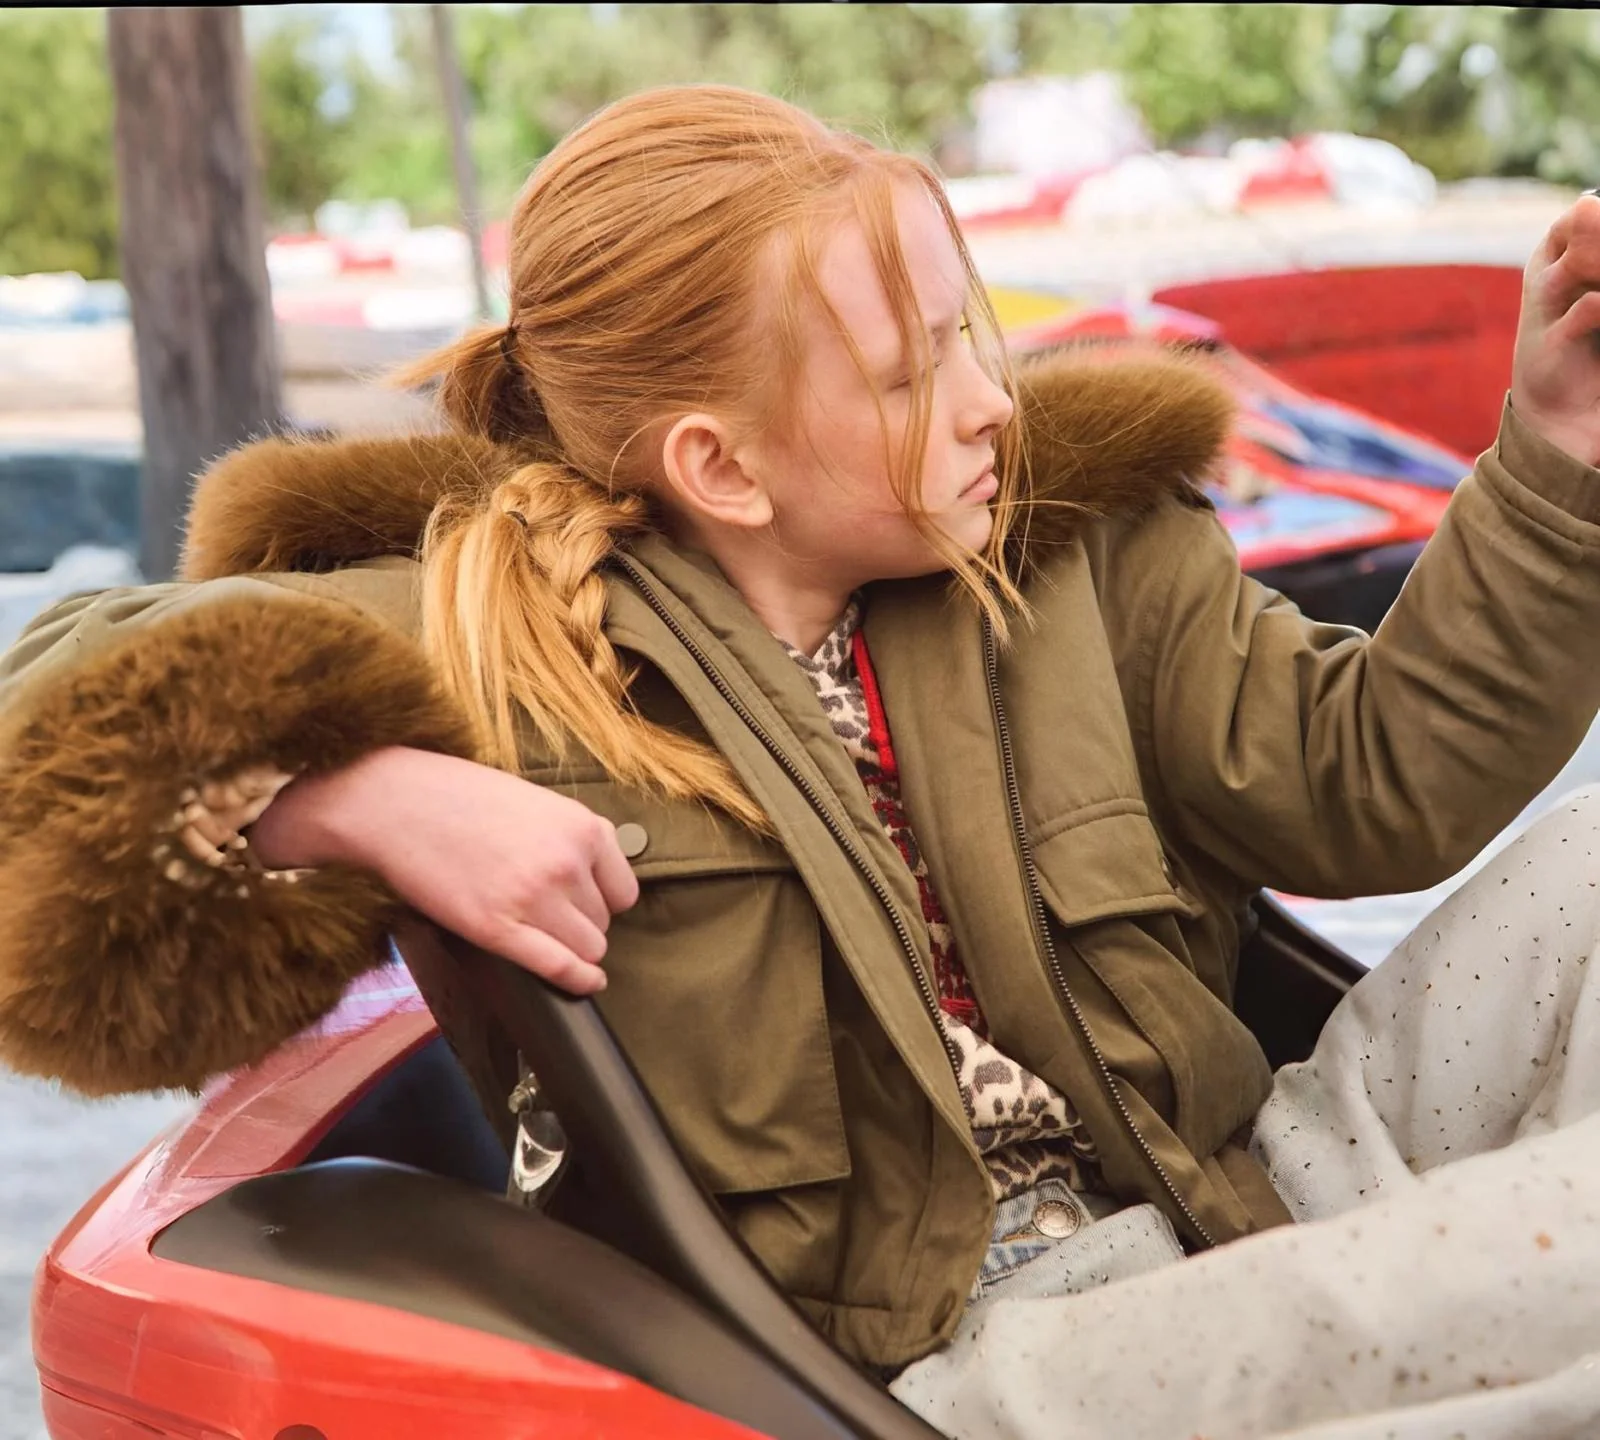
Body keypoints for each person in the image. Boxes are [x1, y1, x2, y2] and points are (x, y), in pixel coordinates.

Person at [1, 85, 1597, 1439]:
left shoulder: (1075, 555)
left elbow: (1378, 780)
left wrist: (1558, 455)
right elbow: (43, 773)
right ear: (724, 466)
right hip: (981, 1352)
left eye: (969, 336)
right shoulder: (490, 642)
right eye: (912, 376)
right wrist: (361, 790)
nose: (990, 405)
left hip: (1234, 1187)